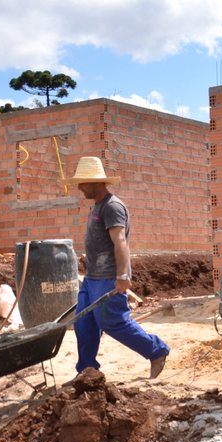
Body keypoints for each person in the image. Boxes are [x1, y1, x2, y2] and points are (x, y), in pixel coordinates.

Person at [66, 156, 169, 378]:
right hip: (92, 278)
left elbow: (120, 242)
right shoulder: (97, 206)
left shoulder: (112, 206)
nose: (80, 188)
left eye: (82, 183)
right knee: (84, 325)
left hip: (107, 277)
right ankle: (87, 372)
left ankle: (156, 350)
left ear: (96, 182)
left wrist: (123, 275)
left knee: (112, 322)